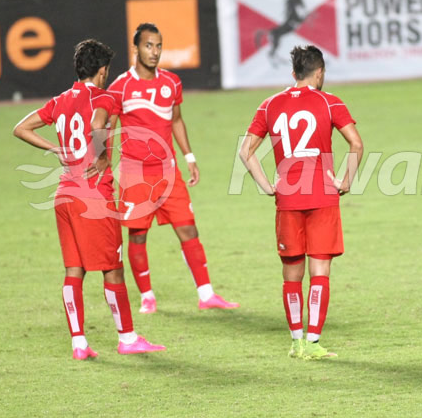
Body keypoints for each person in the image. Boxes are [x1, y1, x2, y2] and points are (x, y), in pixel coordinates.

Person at [13, 39, 165, 359]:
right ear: (101, 71)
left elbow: (21, 128)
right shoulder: (104, 97)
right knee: (112, 268)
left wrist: (54, 149)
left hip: (64, 194)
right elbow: (97, 124)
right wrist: (99, 155)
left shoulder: (60, 100)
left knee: (74, 270)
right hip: (93, 195)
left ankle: (79, 343)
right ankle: (127, 338)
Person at [239, 45, 363, 360]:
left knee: (291, 273)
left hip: (287, 199)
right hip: (323, 195)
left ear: (293, 73)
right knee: (320, 271)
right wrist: (345, 181)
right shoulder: (330, 101)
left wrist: (267, 186)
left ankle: (296, 343)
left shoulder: (269, 106)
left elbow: (245, 152)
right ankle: (314, 342)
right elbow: (356, 144)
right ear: (319, 73)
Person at [107, 23, 239, 312]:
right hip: (135, 175)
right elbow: (109, 128)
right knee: (138, 235)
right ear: (136, 48)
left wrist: (189, 157)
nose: (154, 52)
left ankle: (206, 295)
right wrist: (104, 166)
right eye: (148, 46)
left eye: (158, 46)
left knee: (188, 230)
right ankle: (147, 296)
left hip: (168, 173)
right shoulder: (120, 87)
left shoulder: (171, 83)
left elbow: (176, 120)